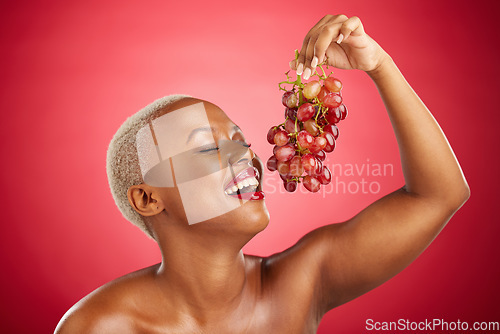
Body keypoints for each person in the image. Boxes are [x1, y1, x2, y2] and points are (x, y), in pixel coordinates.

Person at [54, 14, 469, 333]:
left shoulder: (301, 282)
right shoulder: (101, 325)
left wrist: (380, 65)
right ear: (148, 198)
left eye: (240, 140)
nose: (244, 155)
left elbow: (438, 196)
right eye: (209, 146)